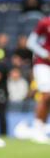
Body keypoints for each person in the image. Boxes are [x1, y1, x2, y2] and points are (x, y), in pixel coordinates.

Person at [26, 16, 50, 144]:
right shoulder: (45, 22)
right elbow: (30, 43)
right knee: (46, 96)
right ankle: (36, 130)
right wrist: (45, 54)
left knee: (49, 98)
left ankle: (41, 129)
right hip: (42, 64)